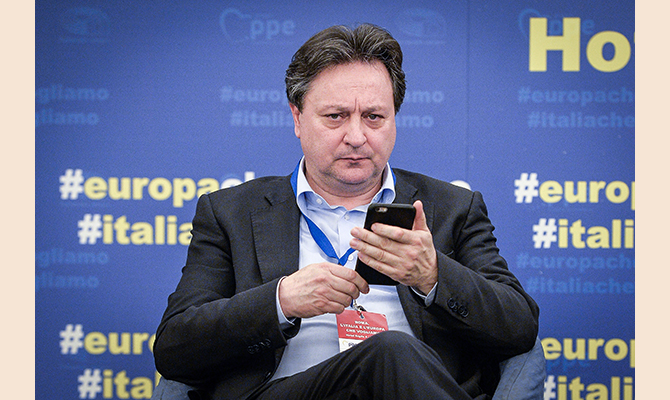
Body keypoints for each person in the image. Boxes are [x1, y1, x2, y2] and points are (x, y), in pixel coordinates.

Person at [153, 23, 539, 400]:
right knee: (387, 351)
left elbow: (520, 328)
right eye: (336, 116)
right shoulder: (231, 213)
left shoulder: (452, 208)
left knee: (392, 352)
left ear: (394, 119)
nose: (356, 137)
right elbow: (175, 349)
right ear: (297, 118)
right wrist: (281, 301)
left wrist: (434, 275)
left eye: (374, 117)